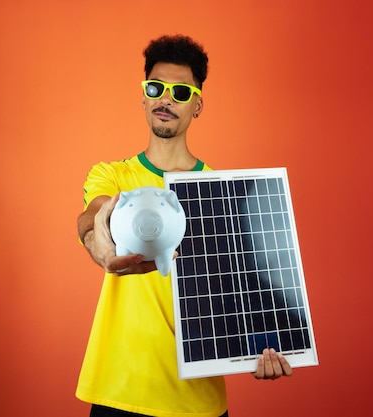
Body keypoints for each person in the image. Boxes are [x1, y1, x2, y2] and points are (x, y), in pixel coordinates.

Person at [75, 35, 293, 417]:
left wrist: (266, 343)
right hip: (119, 389)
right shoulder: (112, 176)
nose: (166, 99)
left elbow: (248, 289)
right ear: (143, 96)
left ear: (197, 105)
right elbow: (94, 219)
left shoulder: (223, 195)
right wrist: (100, 242)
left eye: (180, 91)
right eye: (155, 88)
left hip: (197, 400)